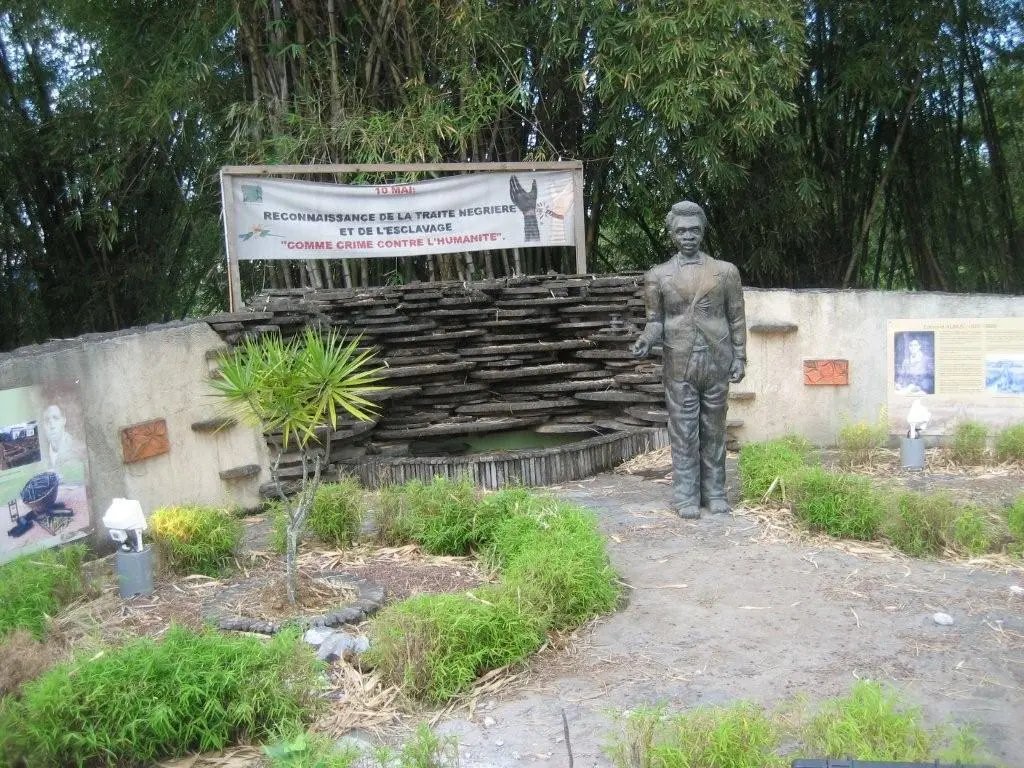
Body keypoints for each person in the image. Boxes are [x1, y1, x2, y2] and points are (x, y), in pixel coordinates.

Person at [632, 201, 747, 519]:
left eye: (694, 230)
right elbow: (655, 321)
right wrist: (645, 339)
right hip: (680, 362)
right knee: (683, 430)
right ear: (671, 234)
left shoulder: (725, 272)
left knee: (714, 429)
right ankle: (685, 496)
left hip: (716, 359)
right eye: (681, 231)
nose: (688, 236)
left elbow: (736, 317)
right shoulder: (657, 275)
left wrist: (740, 356)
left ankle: (714, 493)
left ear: (703, 231)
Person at [41, 403, 85, 481]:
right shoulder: (41, 457)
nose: (52, 425)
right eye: (47, 420)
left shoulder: (79, 449)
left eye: (56, 418)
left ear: (64, 420)